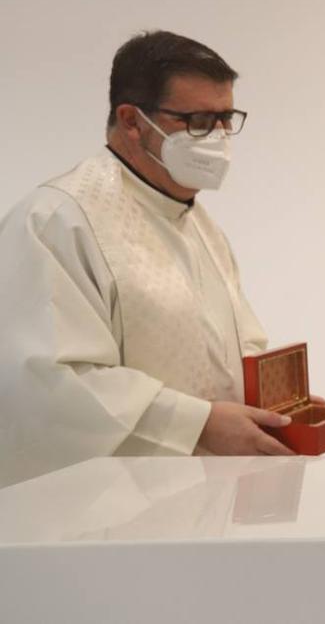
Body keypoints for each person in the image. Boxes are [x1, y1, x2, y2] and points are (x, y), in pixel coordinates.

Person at [0, 31, 294, 488]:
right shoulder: (58, 220)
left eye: (225, 119)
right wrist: (199, 424)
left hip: (197, 496)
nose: (217, 138)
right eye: (197, 120)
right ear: (132, 120)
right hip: (96, 516)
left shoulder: (199, 224)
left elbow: (235, 345)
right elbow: (52, 387)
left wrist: (278, 406)